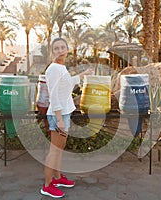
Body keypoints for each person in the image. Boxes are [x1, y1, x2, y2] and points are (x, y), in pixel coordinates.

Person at [40, 37, 93, 198]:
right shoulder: (54, 69)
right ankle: (47, 186)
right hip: (58, 114)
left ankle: (57, 177)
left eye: (63, 47)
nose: (60, 50)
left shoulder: (60, 67)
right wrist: (60, 119)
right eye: (56, 48)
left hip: (64, 113)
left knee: (59, 149)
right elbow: (54, 96)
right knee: (54, 151)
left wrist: (83, 74)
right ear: (52, 52)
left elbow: (68, 84)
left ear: (67, 49)